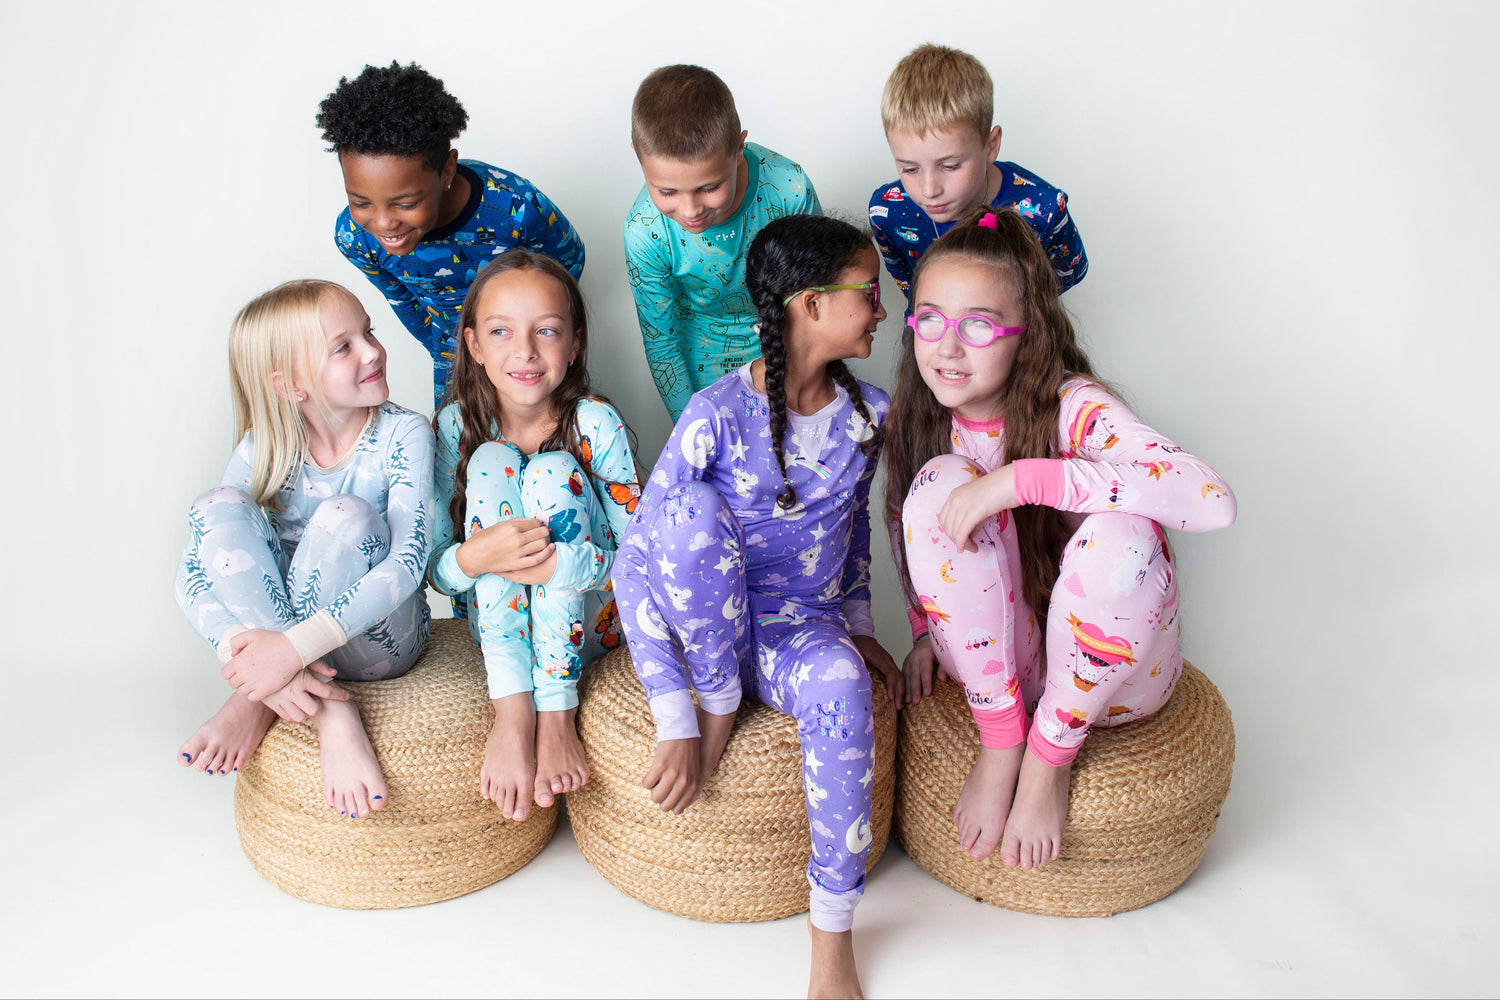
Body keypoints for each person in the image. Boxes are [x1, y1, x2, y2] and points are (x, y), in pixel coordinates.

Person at [884, 209, 1235, 870]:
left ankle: (1048, 760)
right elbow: (913, 539)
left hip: (1107, 679)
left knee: (1124, 537)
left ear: (1026, 336)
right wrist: (925, 630)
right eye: (929, 317)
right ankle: (1001, 742)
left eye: (980, 325)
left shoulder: (1073, 406)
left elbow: (1211, 501)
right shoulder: (922, 414)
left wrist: (1022, 480)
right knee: (936, 488)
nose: (948, 347)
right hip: (1002, 667)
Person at [613, 215, 901, 999]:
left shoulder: (871, 416)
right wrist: (679, 707)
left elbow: (856, 535)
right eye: (867, 293)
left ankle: (831, 936)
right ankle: (717, 703)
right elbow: (635, 561)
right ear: (810, 304)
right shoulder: (714, 414)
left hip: (793, 630)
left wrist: (862, 629)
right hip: (705, 629)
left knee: (842, 683)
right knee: (684, 516)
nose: (882, 309)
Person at [174, 280, 435, 820]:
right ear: (290, 385)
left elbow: (409, 564)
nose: (372, 351)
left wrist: (288, 654)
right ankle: (329, 715)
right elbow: (191, 573)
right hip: (292, 639)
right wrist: (240, 654)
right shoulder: (266, 446)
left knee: (343, 515)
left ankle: (260, 695)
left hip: (381, 640)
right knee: (214, 506)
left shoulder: (403, 432)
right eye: (344, 346)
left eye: (368, 332)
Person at [428, 250, 640, 821]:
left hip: (590, 624)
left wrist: (559, 569)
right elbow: (434, 570)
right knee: (493, 460)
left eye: (546, 331)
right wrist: (475, 556)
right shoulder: (456, 427)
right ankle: (514, 710)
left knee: (551, 472)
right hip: (498, 637)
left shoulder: (594, 423)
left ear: (574, 345)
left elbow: (640, 564)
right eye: (501, 332)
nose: (524, 350)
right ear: (473, 345)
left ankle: (555, 710)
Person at [317, 61, 585, 405]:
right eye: (361, 201)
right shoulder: (354, 237)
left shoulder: (516, 206)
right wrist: (451, 349)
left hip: (528, 357)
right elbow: (403, 300)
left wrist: (526, 331)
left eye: (405, 203)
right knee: (460, 451)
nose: (383, 223)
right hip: (454, 364)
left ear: (447, 170)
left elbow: (568, 260)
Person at [623, 64, 821, 420]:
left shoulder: (789, 189)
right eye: (667, 191)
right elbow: (661, 342)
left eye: (709, 187)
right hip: (701, 358)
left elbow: (817, 295)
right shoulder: (644, 232)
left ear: (739, 148)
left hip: (791, 341)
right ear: (638, 155)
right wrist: (691, 425)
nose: (690, 210)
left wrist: (808, 378)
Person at [869, 43, 1087, 303]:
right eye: (910, 169)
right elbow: (909, 281)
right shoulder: (886, 212)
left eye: (949, 166)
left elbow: (1069, 270)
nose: (929, 190)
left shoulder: (1045, 210)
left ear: (991, 146)